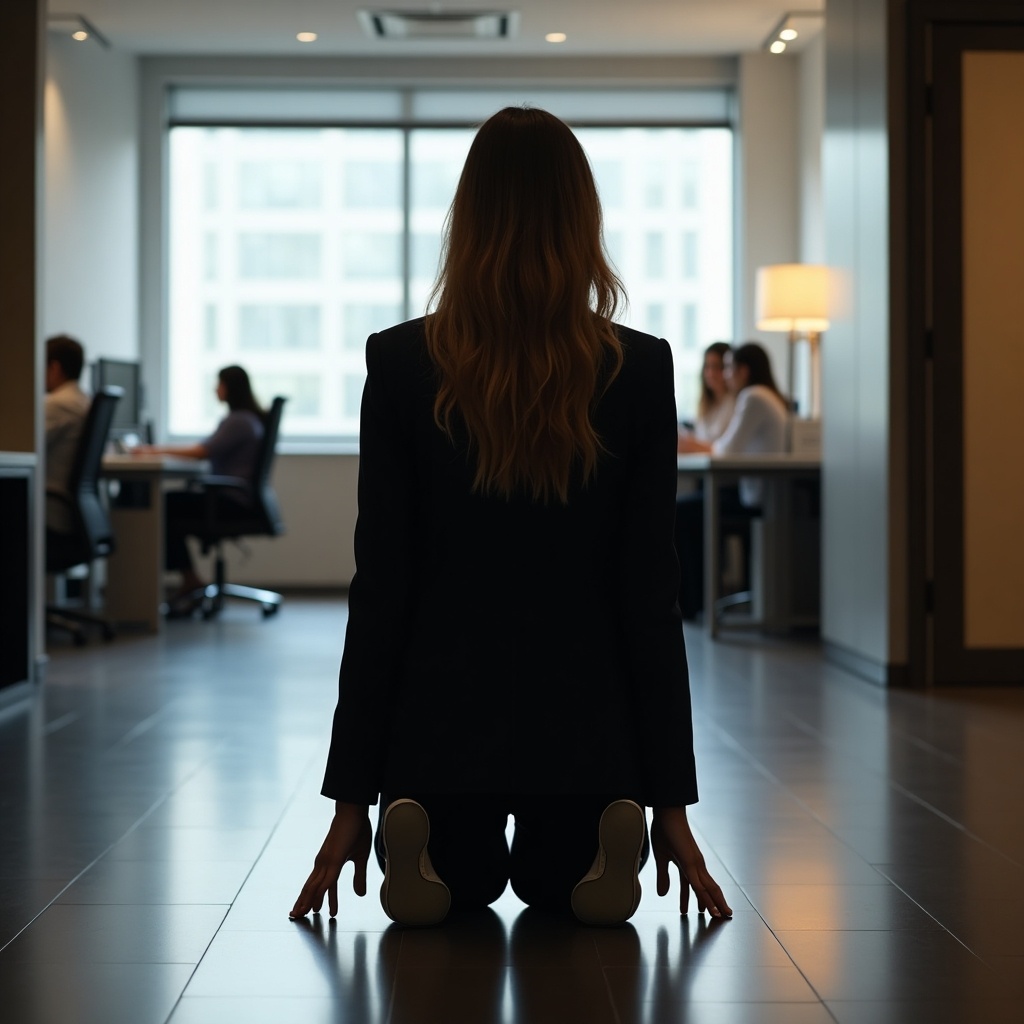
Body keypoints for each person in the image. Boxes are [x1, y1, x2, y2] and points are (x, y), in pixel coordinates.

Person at [289, 107, 731, 928]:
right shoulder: (638, 368)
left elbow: (380, 588)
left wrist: (353, 796)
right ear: (582, 220)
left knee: (462, 881)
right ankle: (607, 834)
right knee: (555, 886)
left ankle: (417, 834)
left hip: (438, 722)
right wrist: (670, 802)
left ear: (469, 219)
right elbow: (649, 595)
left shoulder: (399, 361)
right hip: (588, 724)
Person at [133, 365, 265, 606]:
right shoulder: (246, 419)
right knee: (169, 503)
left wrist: (152, 451)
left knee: (164, 506)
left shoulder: (239, 421)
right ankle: (187, 577)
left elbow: (202, 451)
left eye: (219, 383)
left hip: (230, 502)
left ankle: (189, 579)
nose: (215, 389)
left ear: (230, 388)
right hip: (238, 499)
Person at [676, 342, 790, 619]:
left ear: (744, 370)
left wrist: (688, 443)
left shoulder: (753, 397)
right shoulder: (766, 396)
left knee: (681, 512)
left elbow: (725, 450)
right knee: (687, 508)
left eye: (727, 368)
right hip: (763, 494)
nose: (725, 375)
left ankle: (693, 605)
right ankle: (695, 602)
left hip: (755, 498)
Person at [44, 335, 92, 561]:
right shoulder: (83, 401)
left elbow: (24, 446)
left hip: (51, 515)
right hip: (74, 514)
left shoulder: (56, 404)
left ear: (54, 368)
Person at [678, 341, 734, 452]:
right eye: (707, 367)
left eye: (717, 367)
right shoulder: (706, 406)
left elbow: (726, 450)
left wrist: (691, 444)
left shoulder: (736, 403)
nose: (710, 373)